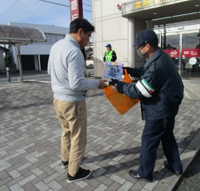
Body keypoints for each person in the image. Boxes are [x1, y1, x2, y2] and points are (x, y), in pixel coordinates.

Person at [110, 29, 184, 182]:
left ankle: (144, 173)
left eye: (139, 46)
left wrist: (120, 86)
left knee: (149, 140)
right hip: (169, 106)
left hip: (160, 109)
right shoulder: (161, 56)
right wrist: (129, 70)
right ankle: (175, 166)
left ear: (148, 46)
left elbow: (140, 91)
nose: (138, 49)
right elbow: (146, 71)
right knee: (167, 136)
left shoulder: (156, 64)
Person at [47, 18, 107, 183]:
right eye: (88, 35)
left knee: (66, 132)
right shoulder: (74, 51)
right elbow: (76, 83)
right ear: (80, 32)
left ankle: (66, 160)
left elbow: (49, 71)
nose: (89, 40)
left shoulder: (56, 46)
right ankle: (73, 173)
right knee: (78, 137)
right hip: (73, 102)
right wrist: (98, 83)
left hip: (58, 100)